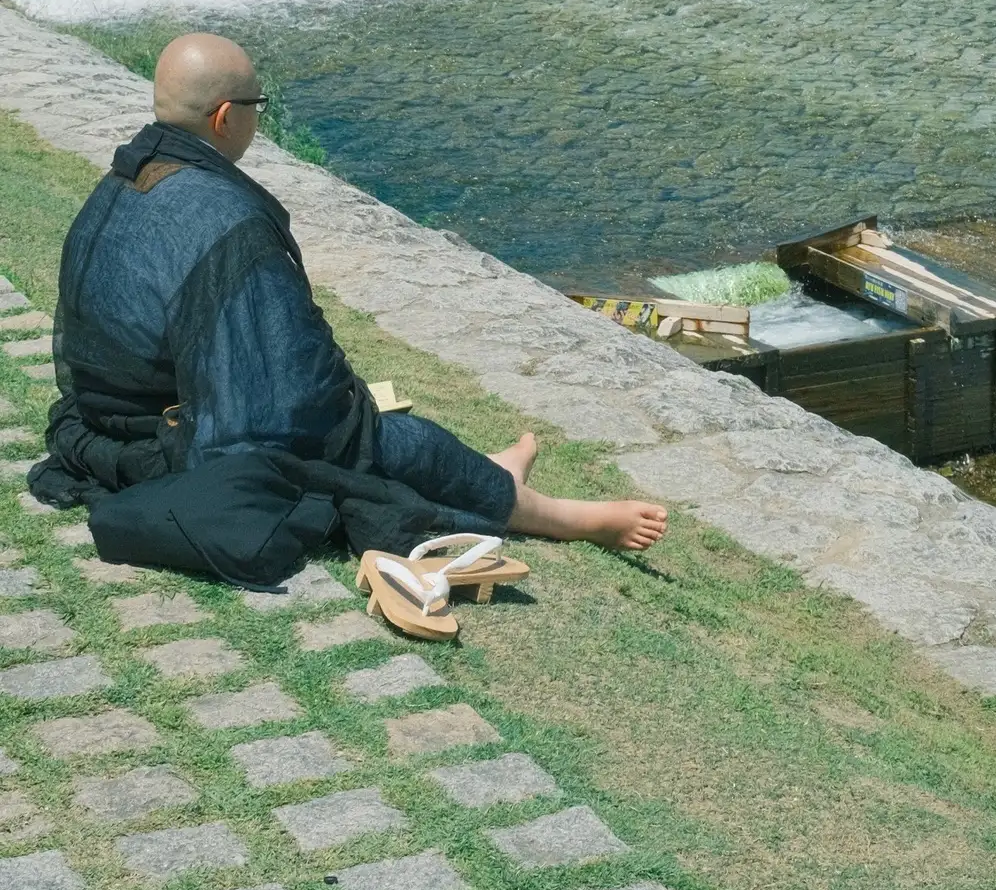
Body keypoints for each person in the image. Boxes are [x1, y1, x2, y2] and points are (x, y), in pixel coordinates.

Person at [36, 32, 666, 559]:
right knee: (392, 441)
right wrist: (348, 406)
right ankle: (569, 517)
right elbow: (289, 395)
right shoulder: (226, 220)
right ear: (226, 117)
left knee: (378, 430)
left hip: (104, 423)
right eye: (257, 105)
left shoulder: (128, 175)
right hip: (171, 440)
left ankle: (498, 472)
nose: (259, 116)